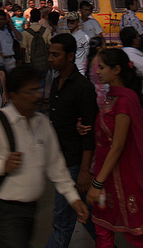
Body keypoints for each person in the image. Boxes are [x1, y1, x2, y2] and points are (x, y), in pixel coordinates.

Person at [0, 65, 89, 248]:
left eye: (38, 89)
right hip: (2, 212)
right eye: (30, 91)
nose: (37, 96)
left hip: (29, 211)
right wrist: (0, 166)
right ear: (13, 95)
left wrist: (73, 198)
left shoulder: (42, 123)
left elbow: (55, 165)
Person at [84, 48, 143, 247]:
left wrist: (97, 184)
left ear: (117, 70)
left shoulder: (125, 101)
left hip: (120, 175)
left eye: (102, 68)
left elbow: (118, 145)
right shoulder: (111, 96)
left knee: (139, 232)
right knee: (102, 228)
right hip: (107, 173)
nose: (97, 72)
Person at [46, 34, 98, 248]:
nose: (50, 58)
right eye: (50, 53)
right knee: (85, 212)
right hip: (60, 158)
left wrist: (85, 170)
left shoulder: (83, 88)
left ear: (69, 57)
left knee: (62, 220)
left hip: (73, 161)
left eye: (55, 55)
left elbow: (89, 133)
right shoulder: (57, 81)